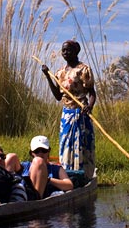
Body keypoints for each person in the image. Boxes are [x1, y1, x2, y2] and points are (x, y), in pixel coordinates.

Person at [41, 40, 97, 179]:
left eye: (68, 50)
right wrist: (48, 76)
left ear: (76, 52)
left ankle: (84, 176)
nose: (65, 53)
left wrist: (89, 106)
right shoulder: (60, 72)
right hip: (67, 114)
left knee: (82, 144)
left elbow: (92, 93)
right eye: (63, 50)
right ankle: (68, 175)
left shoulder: (83, 70)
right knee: (66, 144)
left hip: (81, 112)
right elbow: (58, 96)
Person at [18, 135, 74, 200]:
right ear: (31, 153)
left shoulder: (56, 169)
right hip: (23, 200)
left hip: (44, 202)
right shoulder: (24, 166)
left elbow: (69, 185)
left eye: (44, 150)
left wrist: (48, 180)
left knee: (38, 161)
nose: (40, 154)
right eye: (37, 151)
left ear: (48, 151)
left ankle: (36, 199)